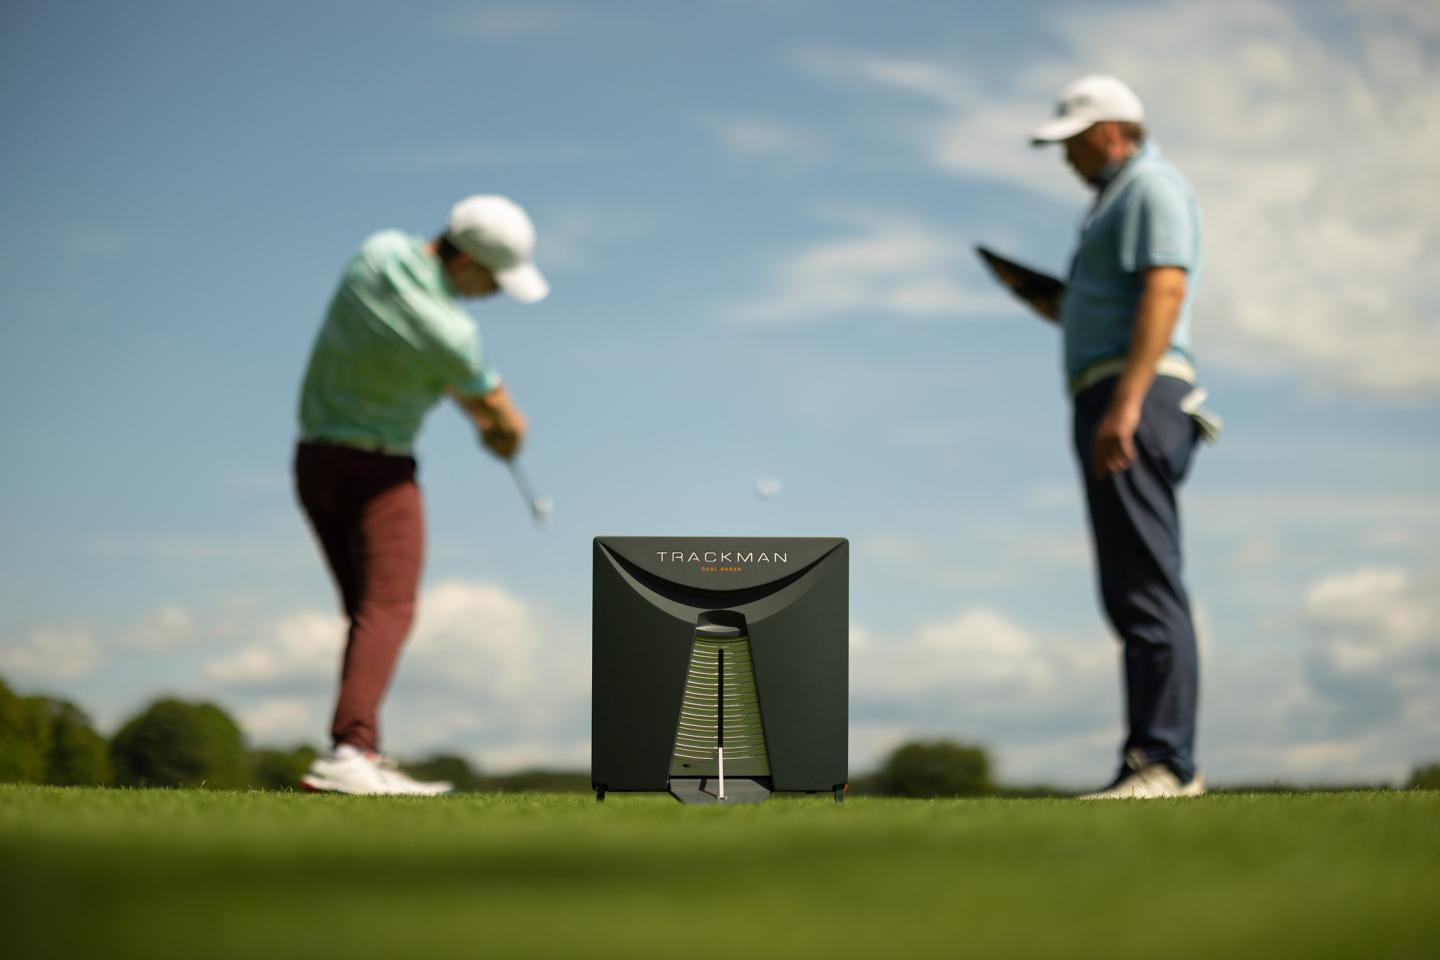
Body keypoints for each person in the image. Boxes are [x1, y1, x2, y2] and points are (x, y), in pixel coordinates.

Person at [294, 195, 548, 795]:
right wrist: (503, 437)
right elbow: (504, 418)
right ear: (466, 263)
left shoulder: (375, 254)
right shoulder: (455, 333)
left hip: (314, 463)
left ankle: (361, 749)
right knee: (390, 605)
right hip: (379, 474)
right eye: (493, 281)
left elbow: (430, 361)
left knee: (366, 611)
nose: (492, 294)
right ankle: (350, 750)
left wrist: (478, 413)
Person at [1028, 76, 1210, 798]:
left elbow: (1166, 287)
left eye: (1072, 142)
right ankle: (1151, 758)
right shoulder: (1114, 200)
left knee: (1145, 580)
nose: (1065, 157)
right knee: (1129, 583)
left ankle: (1166, 762)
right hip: (1115, 392)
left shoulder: (1150, 186)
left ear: (1108, 132)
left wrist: (1126, 404)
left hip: (1134, 395)